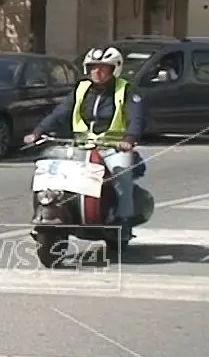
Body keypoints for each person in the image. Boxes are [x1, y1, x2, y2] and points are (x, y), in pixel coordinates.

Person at [24, 46, 146, 241]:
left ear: (115, 68)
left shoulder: (126, 90)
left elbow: (136, 118)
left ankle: (124, 221)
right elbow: (60, 113)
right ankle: (54, 210)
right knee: (52, 171)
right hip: (79, 146)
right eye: (92, 67)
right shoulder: (81, 89)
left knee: (120, 172)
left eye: (102, 68)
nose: (96, 72)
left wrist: (129, 139)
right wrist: (38, 131)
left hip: (111, 146)